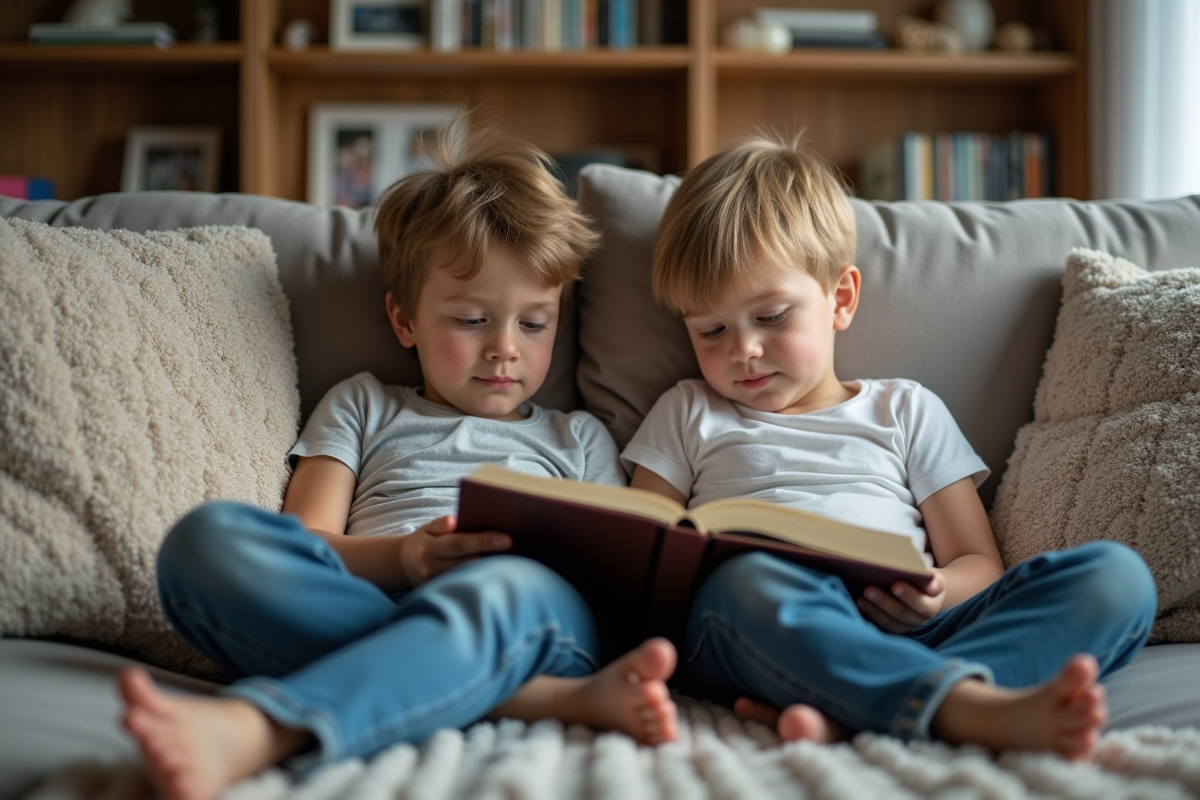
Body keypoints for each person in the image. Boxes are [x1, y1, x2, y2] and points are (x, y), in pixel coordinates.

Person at [118, 115, 679, 800]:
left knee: (499, 586)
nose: (505, 347)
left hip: (530, 611)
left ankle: (262, 728)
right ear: (404, 319)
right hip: (370, 592)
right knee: (203, 544)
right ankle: (531, 699)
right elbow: (309, 543)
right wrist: (404, 558)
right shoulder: (361, 405)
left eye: (534, 323)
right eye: (472, 320)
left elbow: (613, 583)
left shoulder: (579, 437)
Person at [621, 130, 1156, 761]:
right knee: (749, 583)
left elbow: (979, 564)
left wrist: (935, 591)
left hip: (915, 629)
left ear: (840, 299)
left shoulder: (905, 409)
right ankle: (959, 706)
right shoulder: (687, 411)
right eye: (711, 330)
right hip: (761, 628)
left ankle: (873, 707)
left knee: (1117, 578)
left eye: (770, 317)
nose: (743, 350)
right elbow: (641, 561)